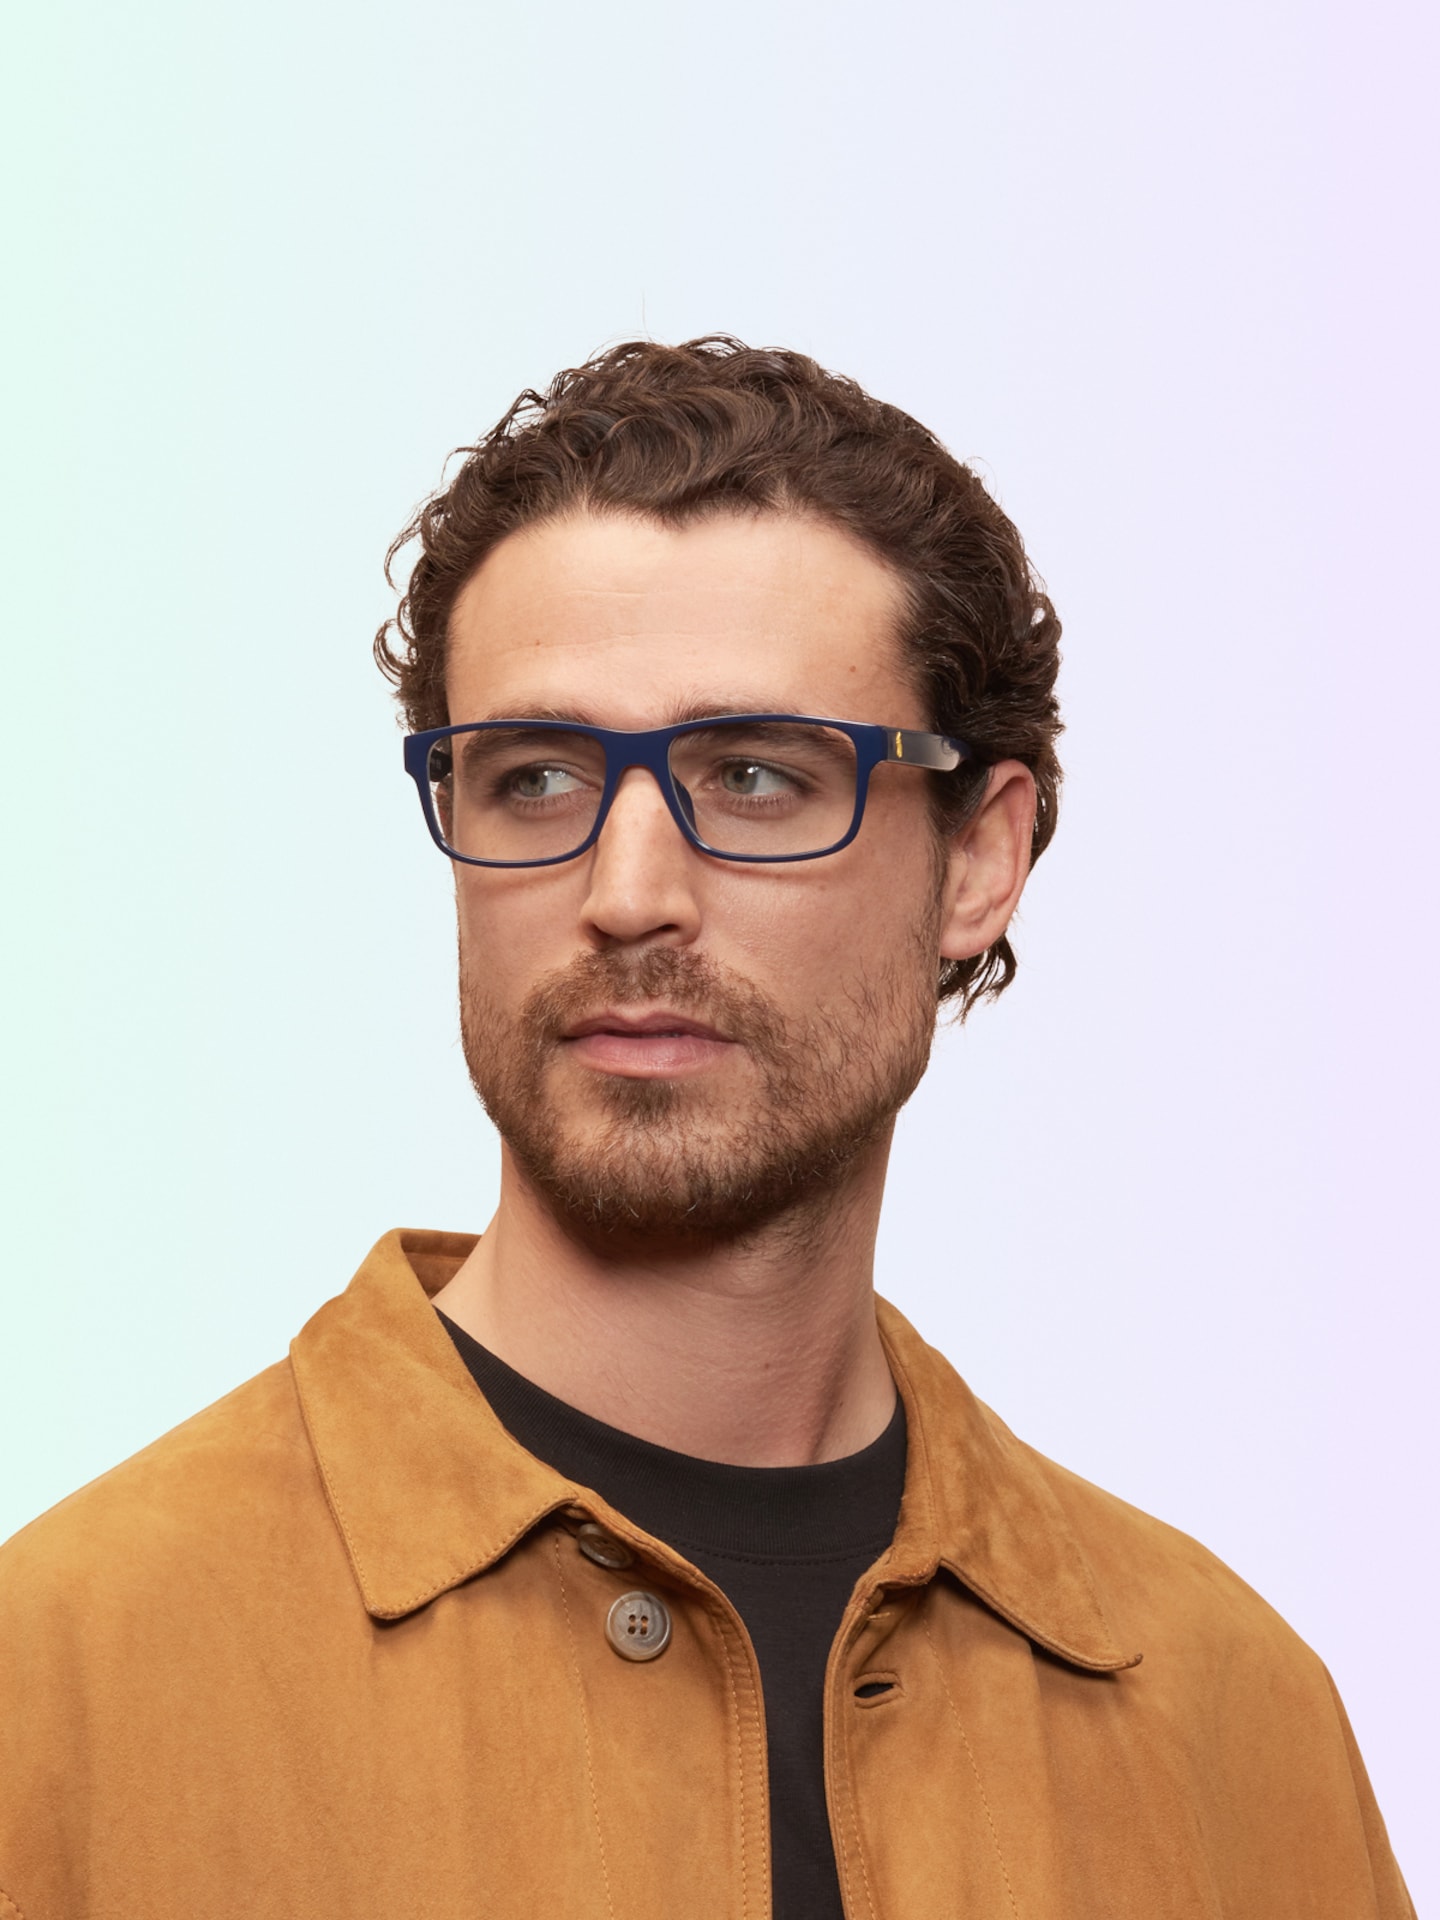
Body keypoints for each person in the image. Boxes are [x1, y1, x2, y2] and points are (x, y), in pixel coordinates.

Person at [0, 338, 1412, 1920]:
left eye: (752, 775)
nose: (626, 894)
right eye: (536, 778)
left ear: (979, 862)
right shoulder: (59, 1683)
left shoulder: (1234, 1723)